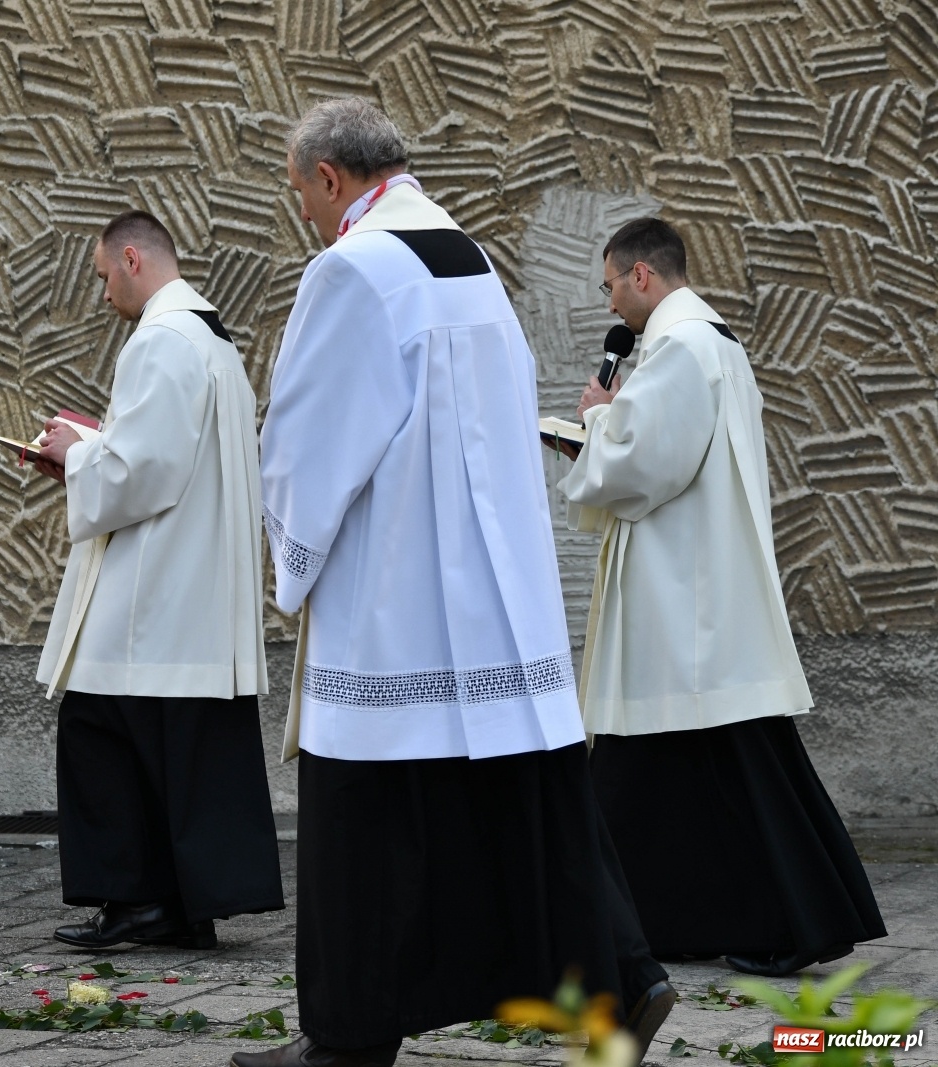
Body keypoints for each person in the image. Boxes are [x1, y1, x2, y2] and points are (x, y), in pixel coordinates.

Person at [238, 98, 674, 1067]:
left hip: (396, 595)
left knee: (368, 818)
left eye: (296, 190)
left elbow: (309, 441)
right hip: (492, 594)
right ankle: (623, 978)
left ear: (325, 178)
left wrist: (291, 560)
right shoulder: (464, 255)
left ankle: (347, 1036)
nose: (301, 211)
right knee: (522, 796)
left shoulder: (351, 269)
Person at [559, 217, 885, 977]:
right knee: (695, 769)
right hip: (694, 587)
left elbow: (642, 465)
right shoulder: (712, 342)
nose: (610, 304)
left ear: (642, 275)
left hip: (683, 597)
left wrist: (591, 422)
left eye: (610, 285)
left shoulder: (680, 348)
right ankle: (671, 924)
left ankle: (803, 918)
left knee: (711, 763)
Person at [33, 210, 283, 951]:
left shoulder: (162, 341)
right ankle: (177, 905)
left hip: (153, 591)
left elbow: (143, 470)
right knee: (179, 754)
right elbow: (166, 451)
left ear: (133, 259)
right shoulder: (208, 338)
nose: (104, 290)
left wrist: (75, 452)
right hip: (188, 582)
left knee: (99, 730)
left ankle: (138, 900)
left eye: (105, 273)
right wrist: (98, 447)